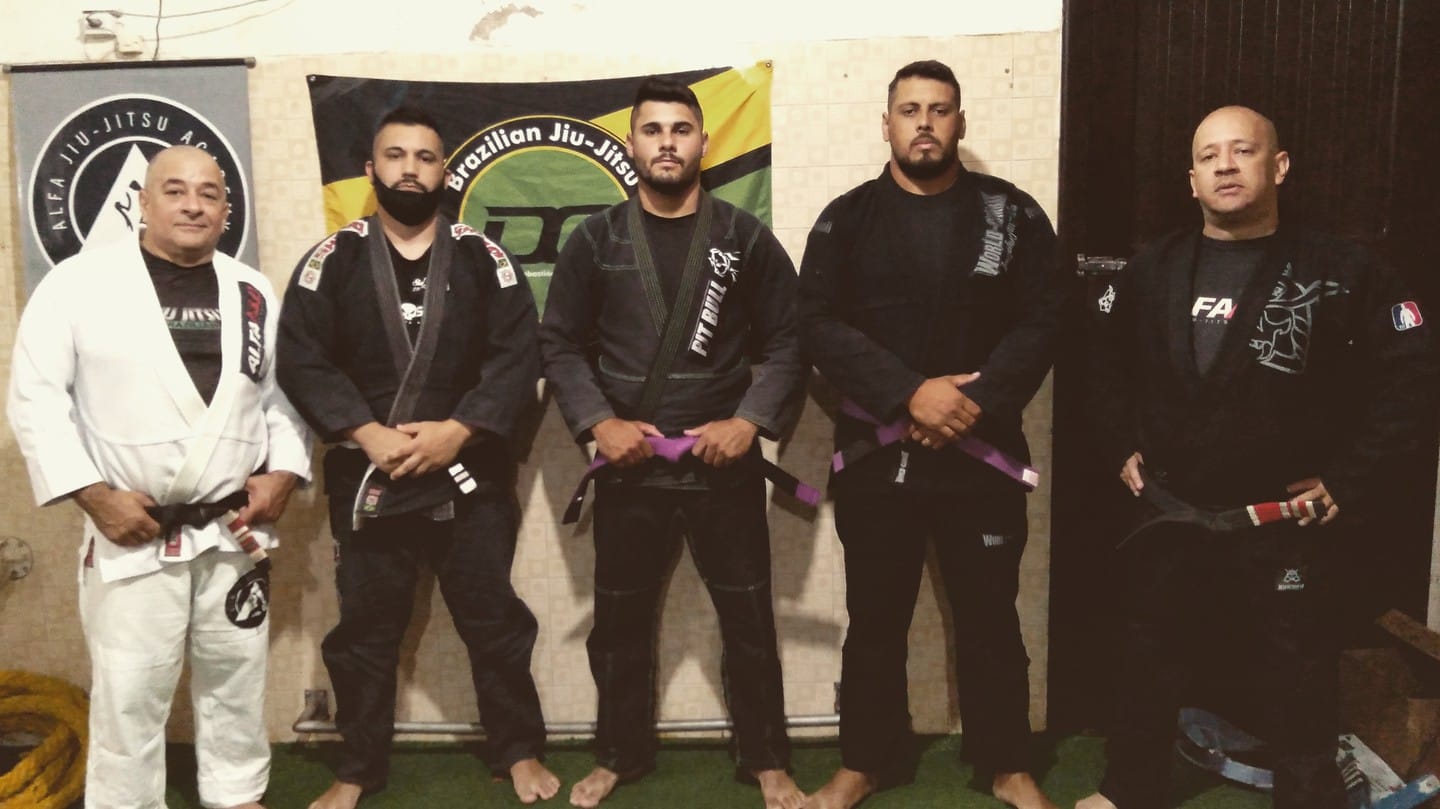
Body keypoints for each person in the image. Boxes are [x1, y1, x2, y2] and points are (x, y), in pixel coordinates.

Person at [1076, 106, 1438, 809]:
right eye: (1209, 155)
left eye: (1243, 150)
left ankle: (1308, 798)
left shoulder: (1342, 268)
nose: (1225, 165)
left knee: (1297, 671)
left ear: (1279, 166)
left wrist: (1350, 477)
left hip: (1282, 513)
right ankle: (1130, 788)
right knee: (1147, 656)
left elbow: (1413, 374)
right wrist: (1121, 443)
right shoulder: (1155, 267)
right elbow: (1101, 361)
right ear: (1192, 179)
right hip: (1172, 505)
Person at [8, 145, 314, 809]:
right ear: (142, 203)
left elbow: (281, 399)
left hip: (233, 528)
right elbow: (35, 401)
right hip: (133, 527)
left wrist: (284, 473)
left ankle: (236, 792)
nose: (193, 205)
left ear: (227, 210)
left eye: (209, 193)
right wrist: (96, 499)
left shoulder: (252, 291)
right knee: (130, 687)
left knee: (237, 672)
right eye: (174, 191)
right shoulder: (77, 284)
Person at [797, 60, 1067, 809]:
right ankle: (865, 760)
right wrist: (909, 393)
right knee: (874, 619)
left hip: (981, 453)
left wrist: (972, 403)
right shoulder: (846, 219)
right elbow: (815, 322)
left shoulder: (1013, 215)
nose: (925, 123)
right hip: (879, 456)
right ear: (886, 124)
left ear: (960, 123)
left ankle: (1006, 763)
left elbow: (1045, 317)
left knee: (991, 616)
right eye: (910, 110)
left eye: (940, 109)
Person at [276, 106, 559, 808]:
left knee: (492, 617)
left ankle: (517, 748)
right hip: (369, 474)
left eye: (425, 157)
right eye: (395, 156)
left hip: (468, 471)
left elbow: (518, 354)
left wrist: (459, 430)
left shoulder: (485, 258)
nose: (410, 169)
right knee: (365, 630)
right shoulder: (331, 260)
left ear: (445, 173)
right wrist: (367, 432)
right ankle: (357, 766)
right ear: (370, 169)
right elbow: (302, 359)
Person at [539, 77, 806, 809]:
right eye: (652, 130)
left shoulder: (743, 238)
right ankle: (619, 753)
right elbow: (559, 344)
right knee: (619, 624)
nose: (667, 143)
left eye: (681, 129)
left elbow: (789, 340)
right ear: (631, 143)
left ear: (703, 143)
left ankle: (767, 757)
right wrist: (600, 423)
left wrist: (749, 421)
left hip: (725, 465)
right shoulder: (595, 240)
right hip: (631, 466)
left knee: (748, 620)